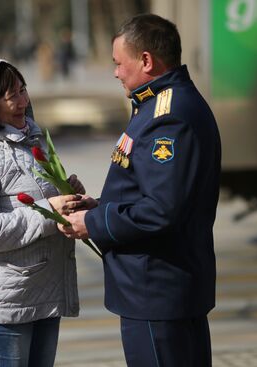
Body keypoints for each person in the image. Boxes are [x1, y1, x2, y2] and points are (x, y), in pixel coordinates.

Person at [58, 14, 221, 366]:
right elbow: (153, 193)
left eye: (119, 63)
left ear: (146, 60)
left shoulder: (168, 116)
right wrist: (96, 205)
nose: (116, 73)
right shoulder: (160, 104)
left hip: (156, 289)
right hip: (165, 287)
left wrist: (95, 223)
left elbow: (161, 210)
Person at [0, 59, 84, 367]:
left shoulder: (31, 141)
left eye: (23, 90)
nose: (23, 102)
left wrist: (67, 196)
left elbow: (42, 204)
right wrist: (50, 213)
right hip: (5, 306)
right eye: (11, 96)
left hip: (41, 294)